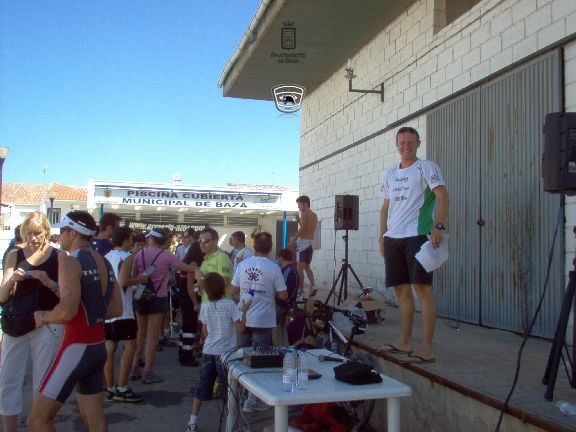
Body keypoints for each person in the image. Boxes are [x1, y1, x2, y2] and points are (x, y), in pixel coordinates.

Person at [26, 211, 122, 432]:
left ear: (73, 233)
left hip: (75, 348)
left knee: (37, 420)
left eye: (62, 231)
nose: (60, 236)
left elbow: (67, 312)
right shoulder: (104, 261)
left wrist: (44, 317)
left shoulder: (70, 261)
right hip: (97, 347)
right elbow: (117, 309)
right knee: (94, 419)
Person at [378, 126, 449, 364]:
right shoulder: (389, 173)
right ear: (396, 145)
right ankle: (405, 341)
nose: (406, 146)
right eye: (402, 142)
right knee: (401, 290)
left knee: (422, 288)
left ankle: (426, 348)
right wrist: (382, 236)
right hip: (393, 238)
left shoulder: (426, 167)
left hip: (418, 235)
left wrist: (439, 225)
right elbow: (385, 208)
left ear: (418, 143)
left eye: (410, 142)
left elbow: (442, 196)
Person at [0, 213, 63, 432]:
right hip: (16, 324)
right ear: (23, 232)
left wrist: (46, 280)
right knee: (8, 379)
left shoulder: (58, 256)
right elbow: (2, 296)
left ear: (46, 231)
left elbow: (66, 295)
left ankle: (39, 425)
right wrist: (12, 279)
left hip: (45, 324)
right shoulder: (14, 254)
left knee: (43, 382)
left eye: (38, 233)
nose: (33, 238)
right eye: (29, 233)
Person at [130, 228, 197, 384]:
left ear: (152, 239)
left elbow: (134, 275)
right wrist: (198, 268)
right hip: (158, 298)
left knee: (140, 333)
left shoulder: (139, 254)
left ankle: (134, 366)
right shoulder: (167, 256)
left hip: (140, 295)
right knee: (152, 336)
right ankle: (148, 371)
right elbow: (185, 267)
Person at [230, 232, 287, 413]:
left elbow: (233, 290)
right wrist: (269, 290)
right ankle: (252, 401)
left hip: (243, 317)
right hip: (263, 319)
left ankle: (235, 396)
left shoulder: (243, 265)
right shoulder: (274, 267)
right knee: (258, 361)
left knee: (241, 358)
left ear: (254, 247)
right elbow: (283, 294)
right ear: (270, 248)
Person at [184, 272, 249, 432]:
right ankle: (232, 425)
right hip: (227, 353)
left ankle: (192, 422)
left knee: (202, 386)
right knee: (230, 390)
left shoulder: (205, 306)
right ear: (223, 288)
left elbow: (205, 331)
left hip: (209, 351)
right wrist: (245, 310)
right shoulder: (230, 305)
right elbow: (241, 328)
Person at [103, 227, 143, 403]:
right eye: (131, 239)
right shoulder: (127, 257)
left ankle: (110, 388)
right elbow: (123, 281)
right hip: (123, 310)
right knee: (130, 346)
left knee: (109, 348)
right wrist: (139, 280)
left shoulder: (106, 257)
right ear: (126, 240)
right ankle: (122, 387)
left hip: (108, 310)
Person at [178, 229, 204, 366]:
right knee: (190, 326)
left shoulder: (188, 262)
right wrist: (195, 303)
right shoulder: (193, 264)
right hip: (189, 297)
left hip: (185, 296)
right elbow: (190, 286)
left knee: (186, 326)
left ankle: (183, 352)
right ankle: (187, 356)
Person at [194, 228, 232, 301]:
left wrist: (202, 279)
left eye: (205, 241)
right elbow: (203, 287)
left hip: (219, 305)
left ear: (215, 241)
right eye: (200, 241)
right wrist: (198, 286)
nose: (201, 244)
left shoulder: (222, 257)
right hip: (207, 303)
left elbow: (224, 283)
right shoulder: (205, 260)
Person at [291, 195, 318, 297]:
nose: (298, 207)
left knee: (300, 269)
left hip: (303, 243)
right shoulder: (314, 215)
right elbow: (306, 226)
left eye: (299, 205)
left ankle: (301, 291)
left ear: (305, 204)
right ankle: (313, 286)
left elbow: (302, 229)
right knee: (307, 267)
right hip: (311, 243)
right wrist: (299, 220)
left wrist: (293, 239)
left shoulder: (304, 213)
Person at [272, 248, 299, 347]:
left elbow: (285, 296)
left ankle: (275, 348)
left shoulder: (291, 272)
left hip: (282, 305)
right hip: (279, 303)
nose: (277, 260)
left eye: (278, 258)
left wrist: (271, 291)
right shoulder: (283, 270)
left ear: (281, 257)